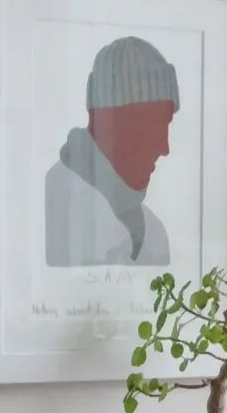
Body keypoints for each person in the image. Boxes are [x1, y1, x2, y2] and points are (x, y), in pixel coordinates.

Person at [45, 35, 178, 266]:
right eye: (149, 125)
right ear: (106, 122)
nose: (164, 147)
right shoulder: (51, 210)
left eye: (165, 123)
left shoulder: (153, 233)